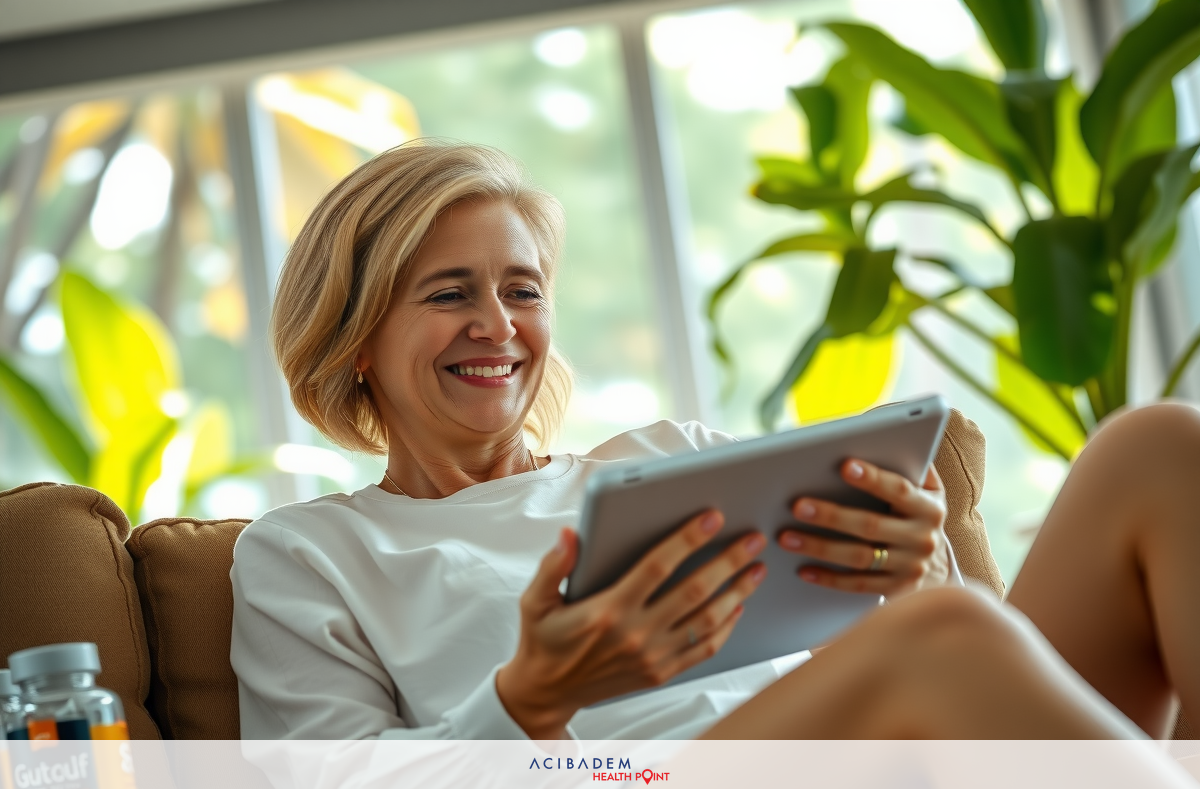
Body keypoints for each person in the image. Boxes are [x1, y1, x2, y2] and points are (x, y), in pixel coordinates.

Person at [231, 141, 1198, 743]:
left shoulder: (673, 453)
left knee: (1157, 447)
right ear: (356, 341)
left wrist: (914, 571)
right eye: (450, 294)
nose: (499, 325)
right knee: (937, 639)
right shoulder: (310, 556)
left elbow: (892, 655)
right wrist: (527, 698)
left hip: (869, 753)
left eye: (521, 290)